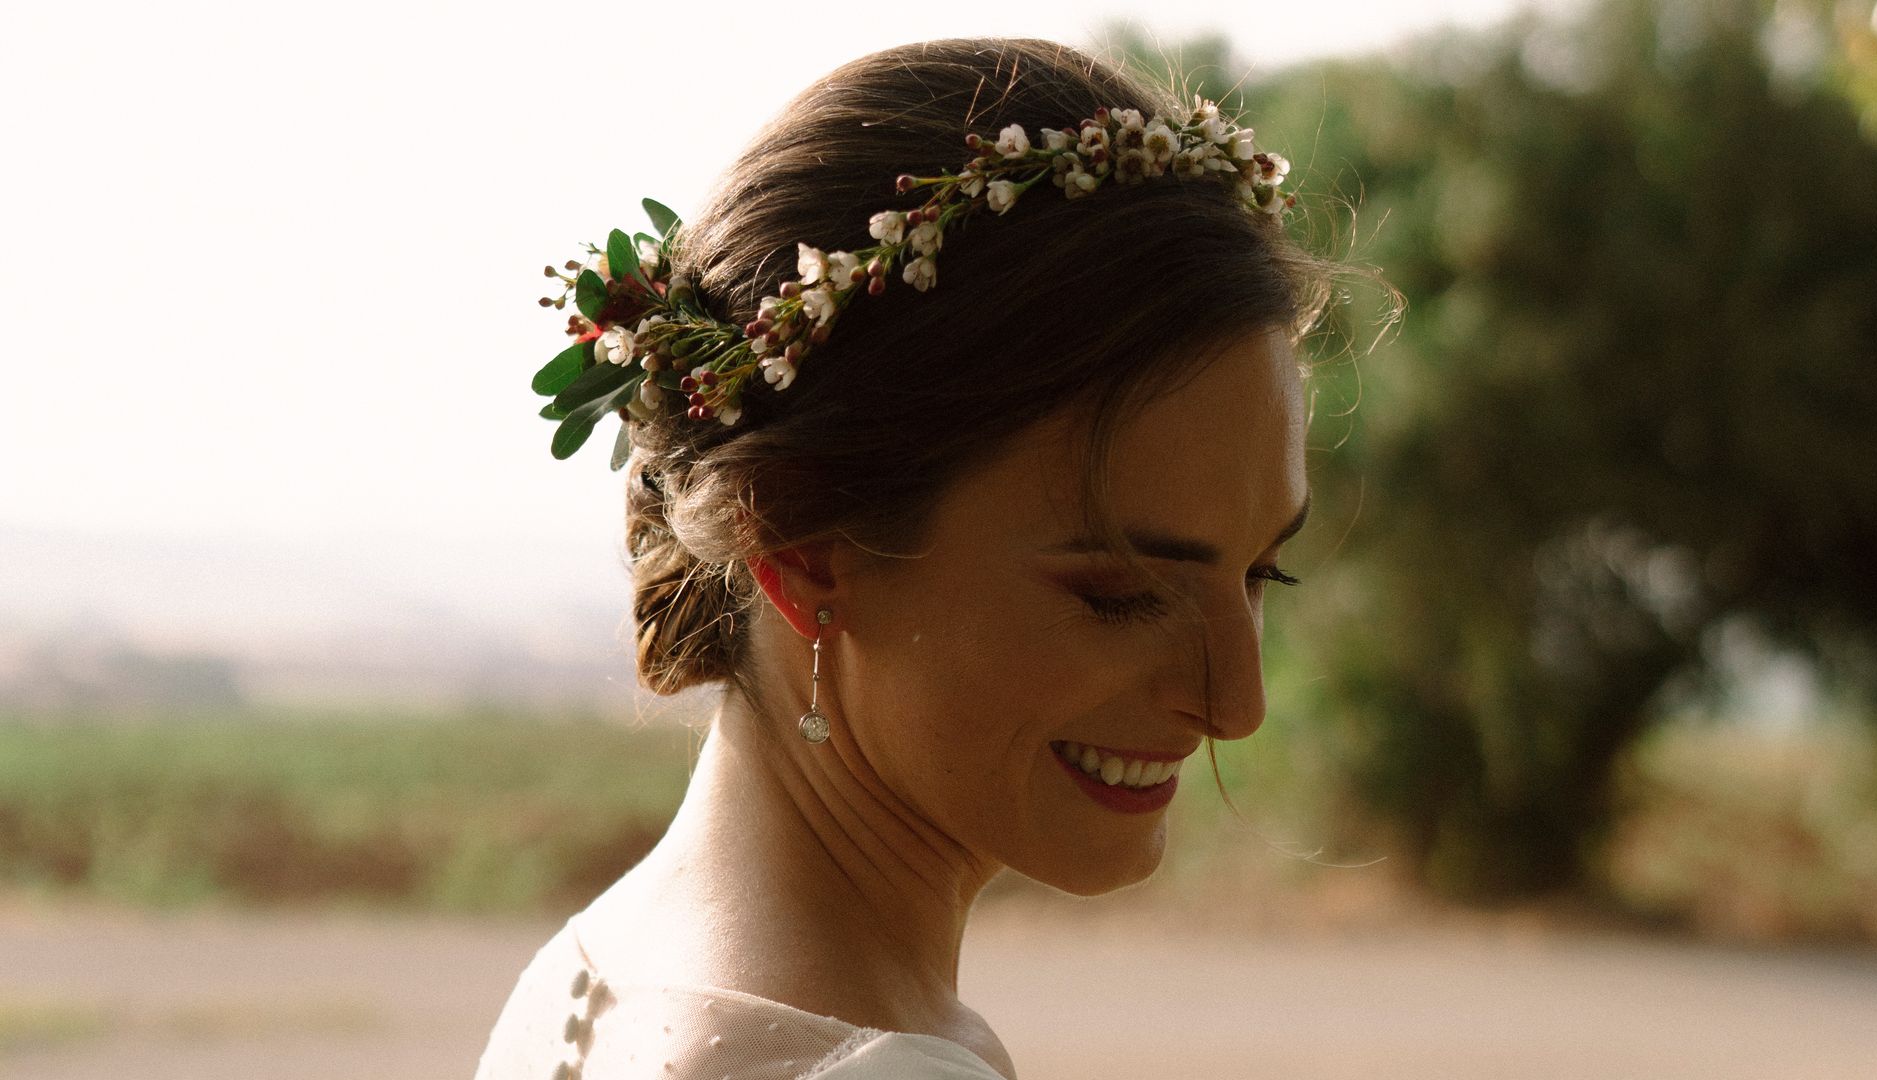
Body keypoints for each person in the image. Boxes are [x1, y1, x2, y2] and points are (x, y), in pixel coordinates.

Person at [476, 35, 1360, 1080]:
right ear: (803, 546)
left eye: (1262, 573)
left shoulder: (588, 975)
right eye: (1122, 594)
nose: (1237, 703)